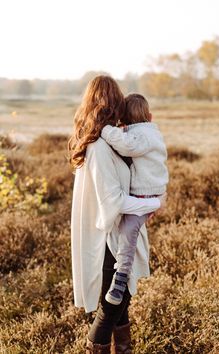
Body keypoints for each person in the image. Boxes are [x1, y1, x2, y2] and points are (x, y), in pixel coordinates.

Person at [68, 76, 166, 354]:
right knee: (110, 310)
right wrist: (152, 204)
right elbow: (113, 201)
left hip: (118, 237)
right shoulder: (98, 147)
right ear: (110, 105)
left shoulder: (109, 141)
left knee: (121, 308)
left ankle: (123, 349)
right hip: (108, 242)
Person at [101, 93, 169, 306]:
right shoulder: (150, 132)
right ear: (150, 115)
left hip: (146, 194)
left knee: (128, 233)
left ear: (124, 120)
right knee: (128, 231)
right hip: (150, 192)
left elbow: (127, 146)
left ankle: (120, 277)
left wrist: (105, 129)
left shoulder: (142, 136)